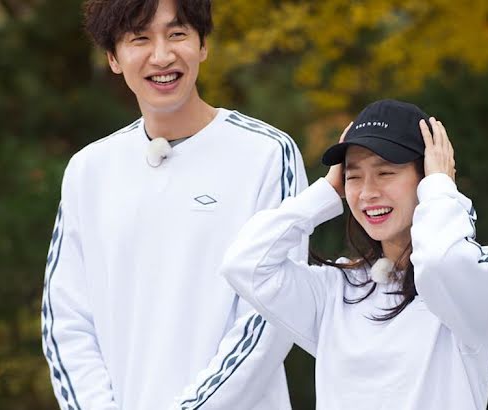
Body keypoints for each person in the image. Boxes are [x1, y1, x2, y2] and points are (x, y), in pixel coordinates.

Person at [40, 0, 306, 408]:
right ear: (113, 58)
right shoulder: (88, 170)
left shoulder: (267, 154)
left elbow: (271, 313)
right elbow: (67, 321)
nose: (162, 56)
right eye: (140, 39)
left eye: (177, 34)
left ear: (203, 45)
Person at [220, 99, 488, 409]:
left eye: (385, 172)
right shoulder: (335, 290)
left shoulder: (483, 277)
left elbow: (438, 262)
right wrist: (326, 190)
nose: (367, 192)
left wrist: (441, 188)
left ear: (425, 177)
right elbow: (244, 263)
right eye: (353, 176)